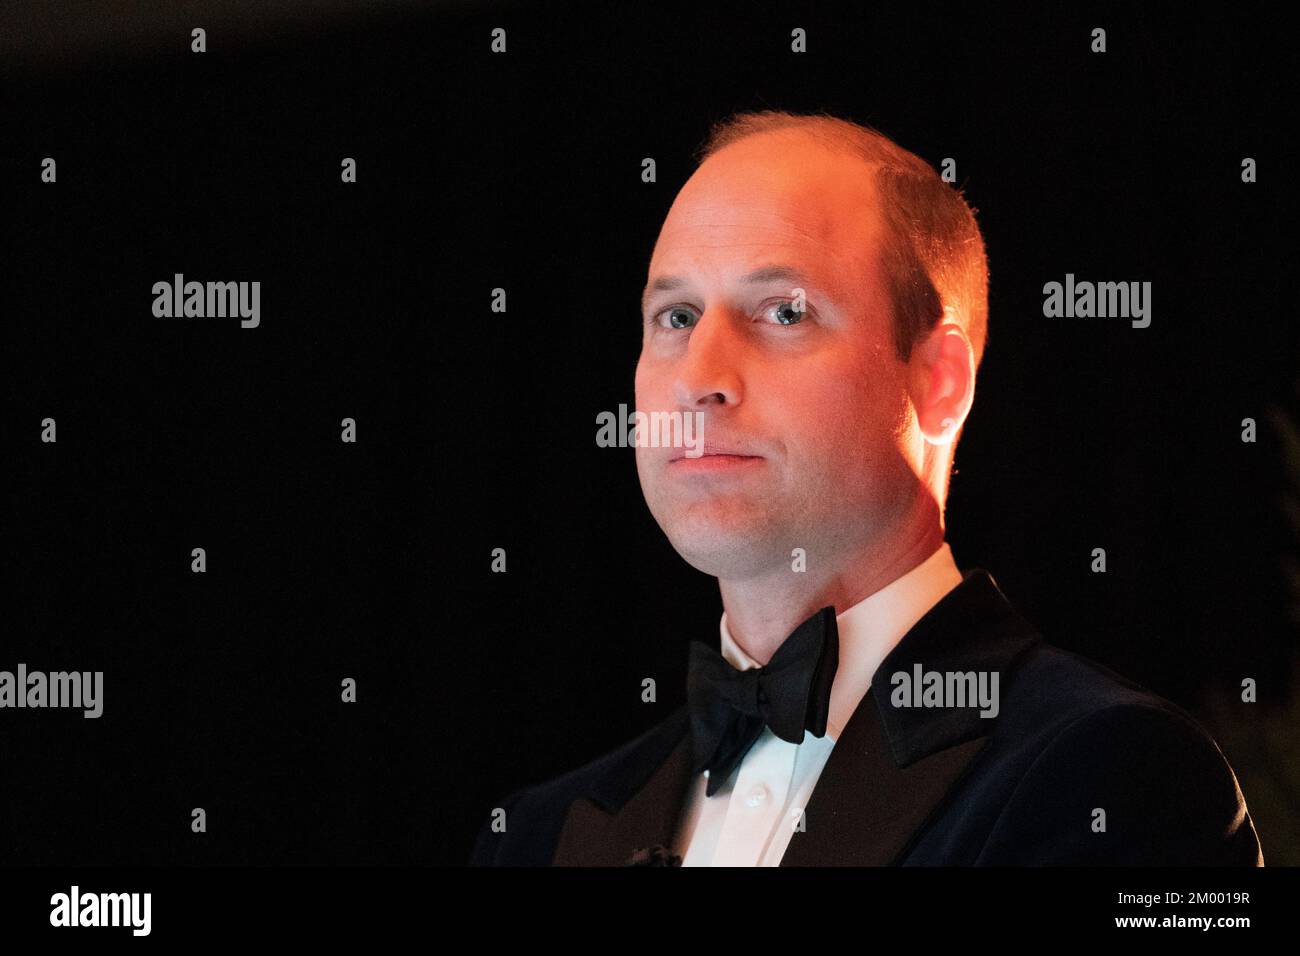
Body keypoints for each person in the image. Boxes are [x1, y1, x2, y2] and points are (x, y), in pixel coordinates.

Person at [469, 109, 1264, 866]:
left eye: (784, 312)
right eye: (676, 317)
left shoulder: (1113, 772)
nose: (699, 379)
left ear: (940, 380)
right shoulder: (537, 835)